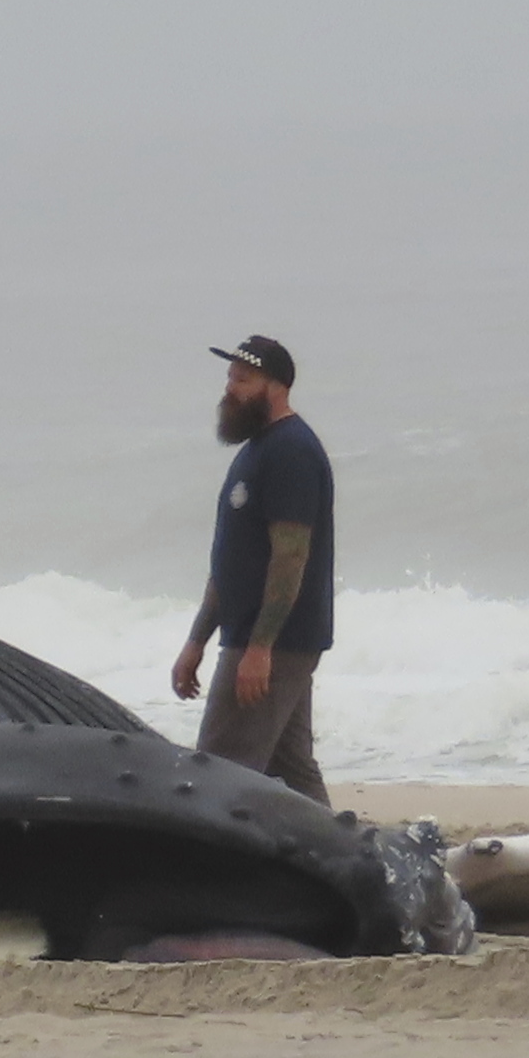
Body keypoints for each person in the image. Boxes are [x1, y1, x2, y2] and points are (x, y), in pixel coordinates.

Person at [168, 333, 333, 803]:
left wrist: (259, 648)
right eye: (230, 377)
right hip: (254, 640)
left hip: (272, 645)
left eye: (243, 379)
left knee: (218, 773)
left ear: (275, 387)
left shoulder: (292, 452)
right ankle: (351, 868)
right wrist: (197, 639)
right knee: (291, 771)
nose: (230, 388)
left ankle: (214, 873)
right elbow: (231, 559)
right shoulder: (256, 450)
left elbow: (291, 556)